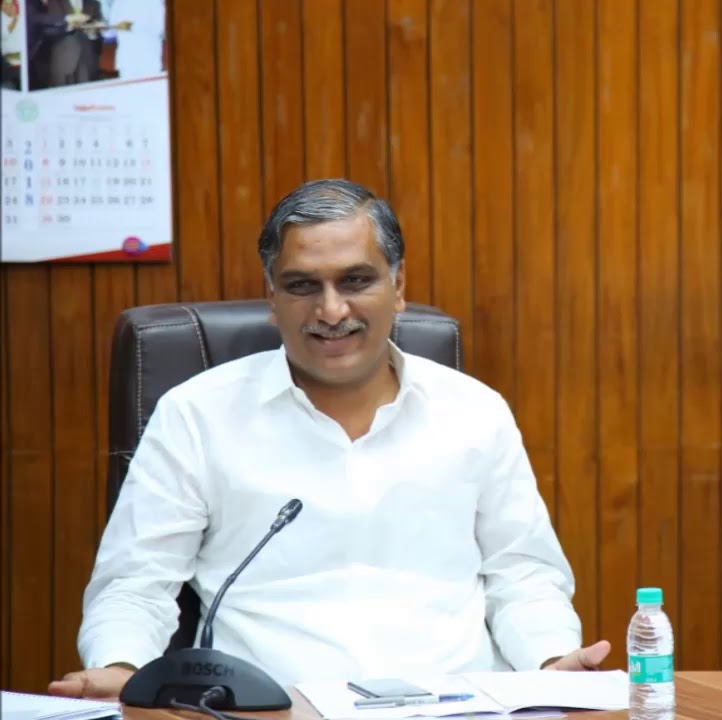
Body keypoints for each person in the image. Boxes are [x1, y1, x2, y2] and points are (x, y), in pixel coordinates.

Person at [48, 179, 610, 699]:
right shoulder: (198, 415)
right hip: (268, 709)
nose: (332, 310)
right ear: (272, 297)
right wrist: (120, 668)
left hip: (452, 705)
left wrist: (550, 659)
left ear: (399, 286)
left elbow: (524, 575)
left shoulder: (475, 412)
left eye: (356, 280)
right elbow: (136, 584)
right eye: (302, 286)